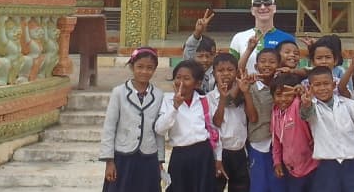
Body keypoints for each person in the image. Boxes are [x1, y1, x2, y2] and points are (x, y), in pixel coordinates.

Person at [298, 65, 354, 192]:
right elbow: (305, 114)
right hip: (327, 165)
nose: (322, 88)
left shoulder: (345, 103)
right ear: (310, 88)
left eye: (326, 83)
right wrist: (306, 104)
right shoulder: (313, 107)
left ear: (334, 84)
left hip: (352, 164)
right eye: (317, 85)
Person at [100, 47, 164, 192]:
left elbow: (159, 131)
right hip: (123, 156)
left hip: (148, 156)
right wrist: (109, 161)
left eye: (149, 68)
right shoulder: (119, 92)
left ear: (154, 70)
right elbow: (109, 127)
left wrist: (160, 160)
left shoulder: (159, 95)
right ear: (132, 66)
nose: (144, 71)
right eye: (140, 67)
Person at [156, 60, 222, 192]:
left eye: (186, 78)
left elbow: (214, 131)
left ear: (197, 83)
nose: (181, 82)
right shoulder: (167, 100)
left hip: (203, 154)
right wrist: (175, 107)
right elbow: (160, 129)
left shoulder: (204, 100)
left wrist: (218, 158)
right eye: (178, 77)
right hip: (181, 155)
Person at [242, 48, 285, 192]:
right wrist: (247, 92)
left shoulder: (283, 88)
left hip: (280, 144)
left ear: (279, 65)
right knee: (259, 185)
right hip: (258, 142)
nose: (267, 65)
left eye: (272, 62)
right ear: (256, 66)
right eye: (263, 61)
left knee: (278, 183)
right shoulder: (252, 87)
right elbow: (253, 118)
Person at [210, 53, 250, 192]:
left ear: (236, 72)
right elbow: (217, 122)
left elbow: (253, 118)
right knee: (215, 187)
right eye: (220, 70)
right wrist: (221, 98)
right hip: (220, 153)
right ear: (214, 73)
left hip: (239, 151)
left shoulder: (242, 94)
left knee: (240, 187)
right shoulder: (209, 98)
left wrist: (245, 92)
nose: (225, 74)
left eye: (230, 70)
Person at [271, 73, 317, 191]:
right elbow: (276, 141)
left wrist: (302, 96)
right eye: (278, 95)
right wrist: (277, 162)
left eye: (287, 95)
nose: (283, 99)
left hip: (312, 166)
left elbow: (307, 108)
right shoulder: (275, 113)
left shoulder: (297, 105)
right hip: (292, 170)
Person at [230, 0, 293, 73]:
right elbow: (231, 69)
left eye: (267, 3)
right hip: (247, 85)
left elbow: (292, 69)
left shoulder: (287, 38)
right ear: (252, 10)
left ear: (274, 8)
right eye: (257, 4)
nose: (262, 7)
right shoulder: (239, 38)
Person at [185, 9, 218, 93]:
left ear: (215, 55)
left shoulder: (217, 72)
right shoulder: (189, 68)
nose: (205, 60)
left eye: (209, 56)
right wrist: (198, 32)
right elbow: (190, 47)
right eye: (200, 56)